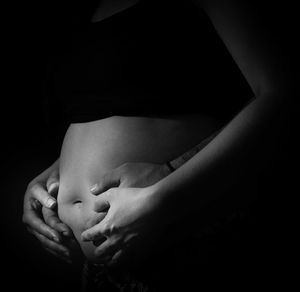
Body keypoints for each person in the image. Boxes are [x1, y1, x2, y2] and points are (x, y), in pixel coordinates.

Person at [23, 0, 295, 290]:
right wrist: (54, 176)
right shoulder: (83, 11)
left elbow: (283, 94)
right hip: (108, 272)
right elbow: (108, 106)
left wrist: (163, 192)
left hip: (192, 235)